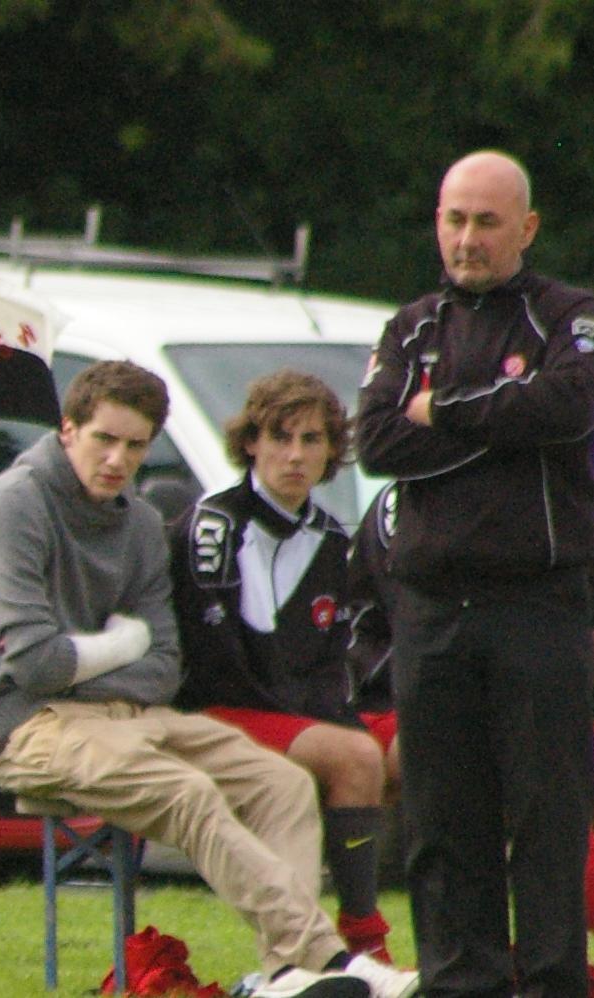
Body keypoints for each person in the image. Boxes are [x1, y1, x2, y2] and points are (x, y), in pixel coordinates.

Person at [0, 361, 411, 998]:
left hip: (132, 714)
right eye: (103, 439)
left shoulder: (140, 521)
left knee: (279, 783)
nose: (118, 459)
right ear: (67, 430)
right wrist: (122, 645)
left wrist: (111, 659)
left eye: (136, 446)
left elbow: (164, 664)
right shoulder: (13, 507)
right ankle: (327, 961)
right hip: (27, 724)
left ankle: (288, 975)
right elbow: (34, 667)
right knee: (190, 792)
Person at [355, 149, 594, 997]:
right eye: (453, 219)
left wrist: (442, 411)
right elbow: (378, 438)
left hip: (539, 604)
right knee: (441, 821)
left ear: (525, 227)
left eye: (485, 221)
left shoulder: (569, 316)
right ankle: (461, 981)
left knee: (545, 815)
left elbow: (568, 405)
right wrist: (499, 418)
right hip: (429, 609)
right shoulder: (410, 327)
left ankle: (554, 982)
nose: (466, 239)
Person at [166, 371, 399, 959]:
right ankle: (362, 938)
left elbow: (327, 665)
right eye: (280, 437)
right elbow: (216, 662)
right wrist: (322, 731)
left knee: (410, 750)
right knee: (353, 755)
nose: (295, 456)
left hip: (291, 718)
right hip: (212, 713)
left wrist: (331, 721)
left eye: (312, 441)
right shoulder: (212, 527)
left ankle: (472, 941)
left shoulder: (328, 537)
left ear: (331, 454)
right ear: (251, 442)